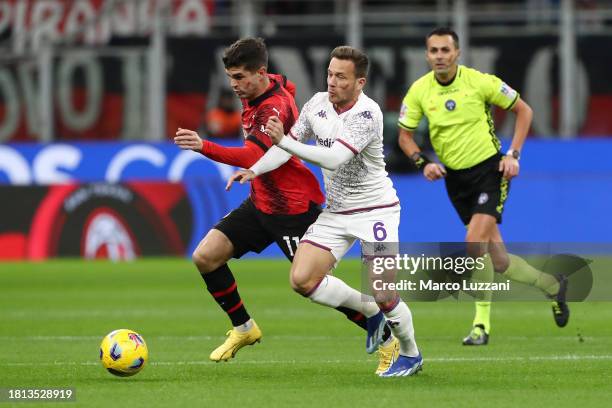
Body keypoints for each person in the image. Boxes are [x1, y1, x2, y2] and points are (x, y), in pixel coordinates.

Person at [174, 37, 391, 364]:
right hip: (260, 202)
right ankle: (244, 328)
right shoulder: (265, 87)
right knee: (206, 257)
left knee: (310, 284)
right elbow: (283, 85)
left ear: (259, 73)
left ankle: (385, 334)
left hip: (292, 209)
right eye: (231, 77)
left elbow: (252, 153)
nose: (233, 85)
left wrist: (204, 146)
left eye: (238, 77)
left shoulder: (273, 106)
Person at [229, 46, 422, 377]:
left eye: (341, 77)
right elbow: (287, 143)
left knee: (385, 292)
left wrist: (285, 144)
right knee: (302, 280)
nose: (332, 82)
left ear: (360, 82)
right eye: (330, 74)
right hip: (336, 212)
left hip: (376, 211)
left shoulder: (367, 114)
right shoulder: (316, 104)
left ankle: (410, 354)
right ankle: (370, 312)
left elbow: (333, 158)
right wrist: (256, 170)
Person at [397, 27, 569, 346]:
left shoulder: (480, 81)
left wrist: (513, 154)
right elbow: (404, 135)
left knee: (474, 242)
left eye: (445, 50)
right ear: (426, 55)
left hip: (490, 171)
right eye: (433, 51)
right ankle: (552, 285)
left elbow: (524, 111)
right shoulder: (420, 90)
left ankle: (481, 326)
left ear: (457, 53)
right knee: (499, 261)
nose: (439, 56)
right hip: (455, 180)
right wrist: (423, 162)